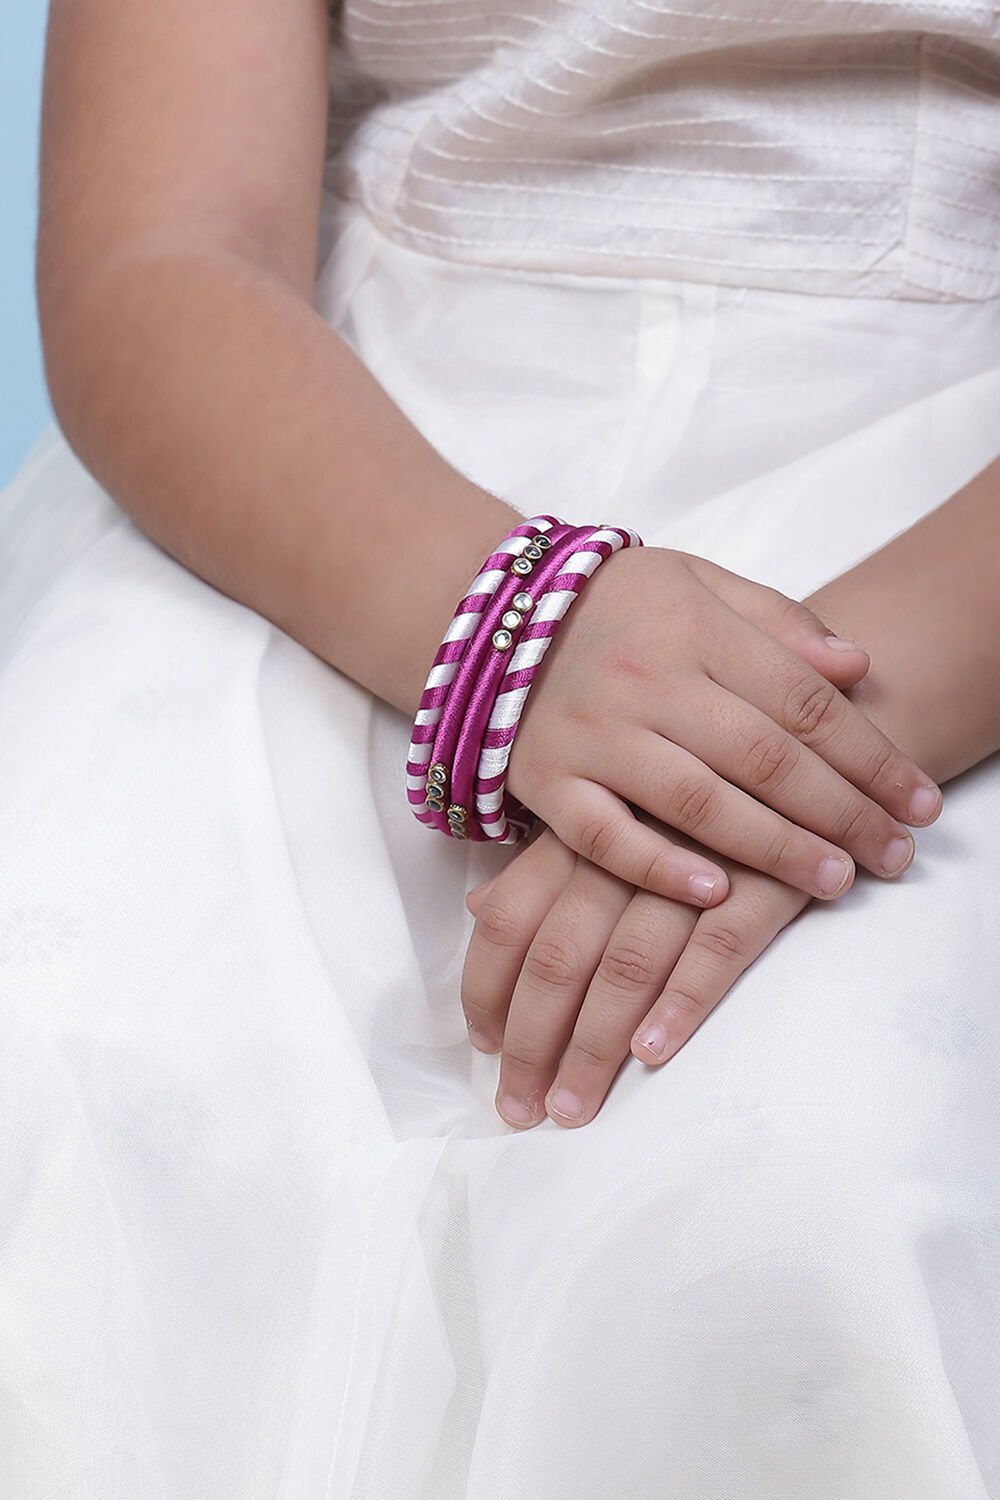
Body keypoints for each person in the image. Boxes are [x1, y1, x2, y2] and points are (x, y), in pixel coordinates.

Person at [1, 0, 998, 1493]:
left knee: (800, 1199)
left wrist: (779, 755)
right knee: (68, 1044)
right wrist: (513, 636)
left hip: (949, 558)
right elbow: (162, 242)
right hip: (323, 457)